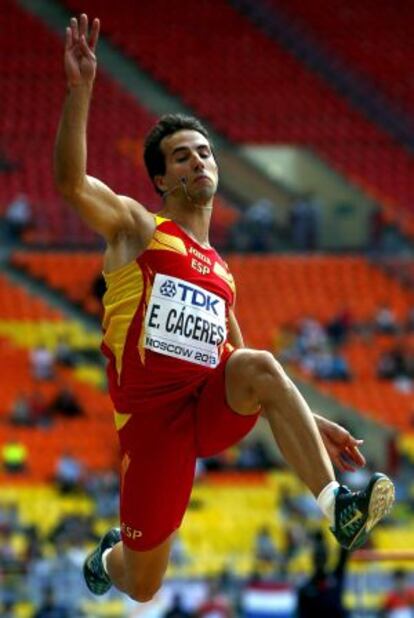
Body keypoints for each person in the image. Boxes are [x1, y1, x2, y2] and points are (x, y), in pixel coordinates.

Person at [53, 14, 395, 603]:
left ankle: (338, 505)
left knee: (258, 362)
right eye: (182, 156)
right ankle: (110, 557)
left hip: (204, 411)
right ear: (161, 178)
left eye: (205, 153)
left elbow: (239, 360)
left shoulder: (221, 273)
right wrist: (80, 89)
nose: (198, 162)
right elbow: (71, 184)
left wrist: (308, 420)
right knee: (143, 584)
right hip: (153, 427)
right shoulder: (138, 228)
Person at [297, 531, 349, 618]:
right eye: (318, 557)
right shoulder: (305, 590)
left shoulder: (334, 579)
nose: (320, 560)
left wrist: (345, 538)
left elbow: (342, 559)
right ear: (313, 560)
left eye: (321, 557)